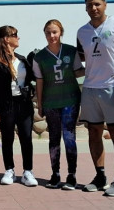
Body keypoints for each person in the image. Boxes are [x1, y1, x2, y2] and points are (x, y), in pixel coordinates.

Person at [76, 0, 114, 197]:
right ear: (85, 7)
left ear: (105, 5)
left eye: (97, 4)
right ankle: (100, 176)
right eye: (90, 4)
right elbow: (84, 61)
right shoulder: (82, 32)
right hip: (91, 88)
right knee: (94, 132)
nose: (93, 8)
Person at [33, 19, 83, 191]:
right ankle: (55, 174)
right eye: (48, 32)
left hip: (70, 100)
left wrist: (96, 63)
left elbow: (78, 72)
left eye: (54, 32)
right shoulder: (39, 57)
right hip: (51, 102)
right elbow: (39, 82)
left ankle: (72, 175)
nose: (51, 35)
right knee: (54, 138)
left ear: (61, 32)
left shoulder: (71, 51)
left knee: (69, 137)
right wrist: (39, 104)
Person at [0, 25, 37, 187]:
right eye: (15, 35)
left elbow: (32, 79)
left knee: (26, 138)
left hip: (24, 105)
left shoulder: (22, 60)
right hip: (6, 106)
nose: (18, 38)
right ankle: (9, 170)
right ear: (6, 39)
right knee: (8, 139)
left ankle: (28, 171)